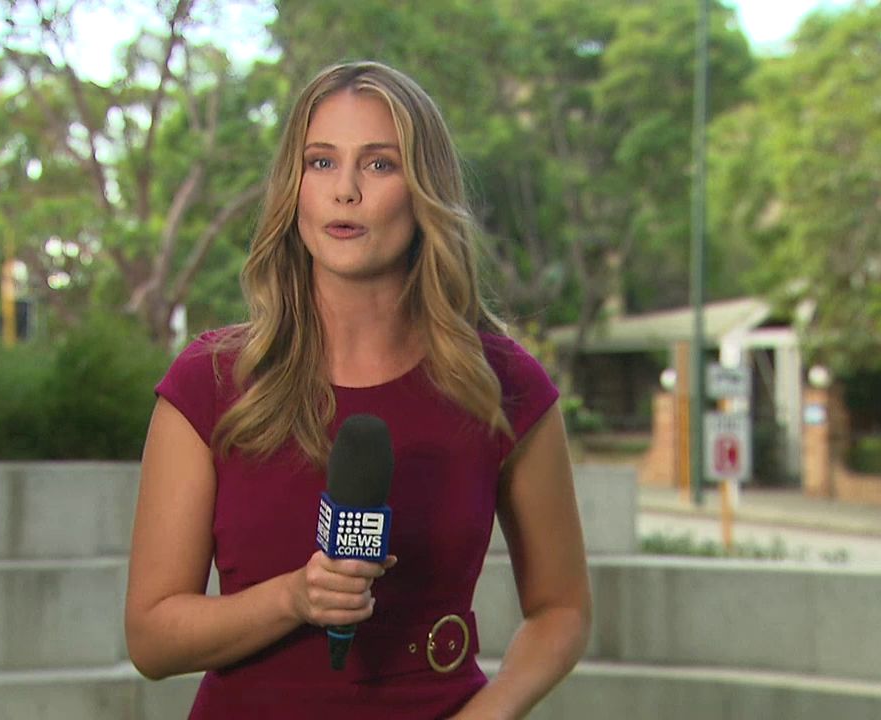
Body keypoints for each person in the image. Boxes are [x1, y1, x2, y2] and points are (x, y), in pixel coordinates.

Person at [125, 60, 591, 719]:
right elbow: (151, 638)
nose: (345, 190)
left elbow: (563, 609)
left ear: (424, 189)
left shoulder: (503, 385)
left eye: (379, 164)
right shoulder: (210, 383)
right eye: (321, 162)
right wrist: (293, 598)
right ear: (294, 188)